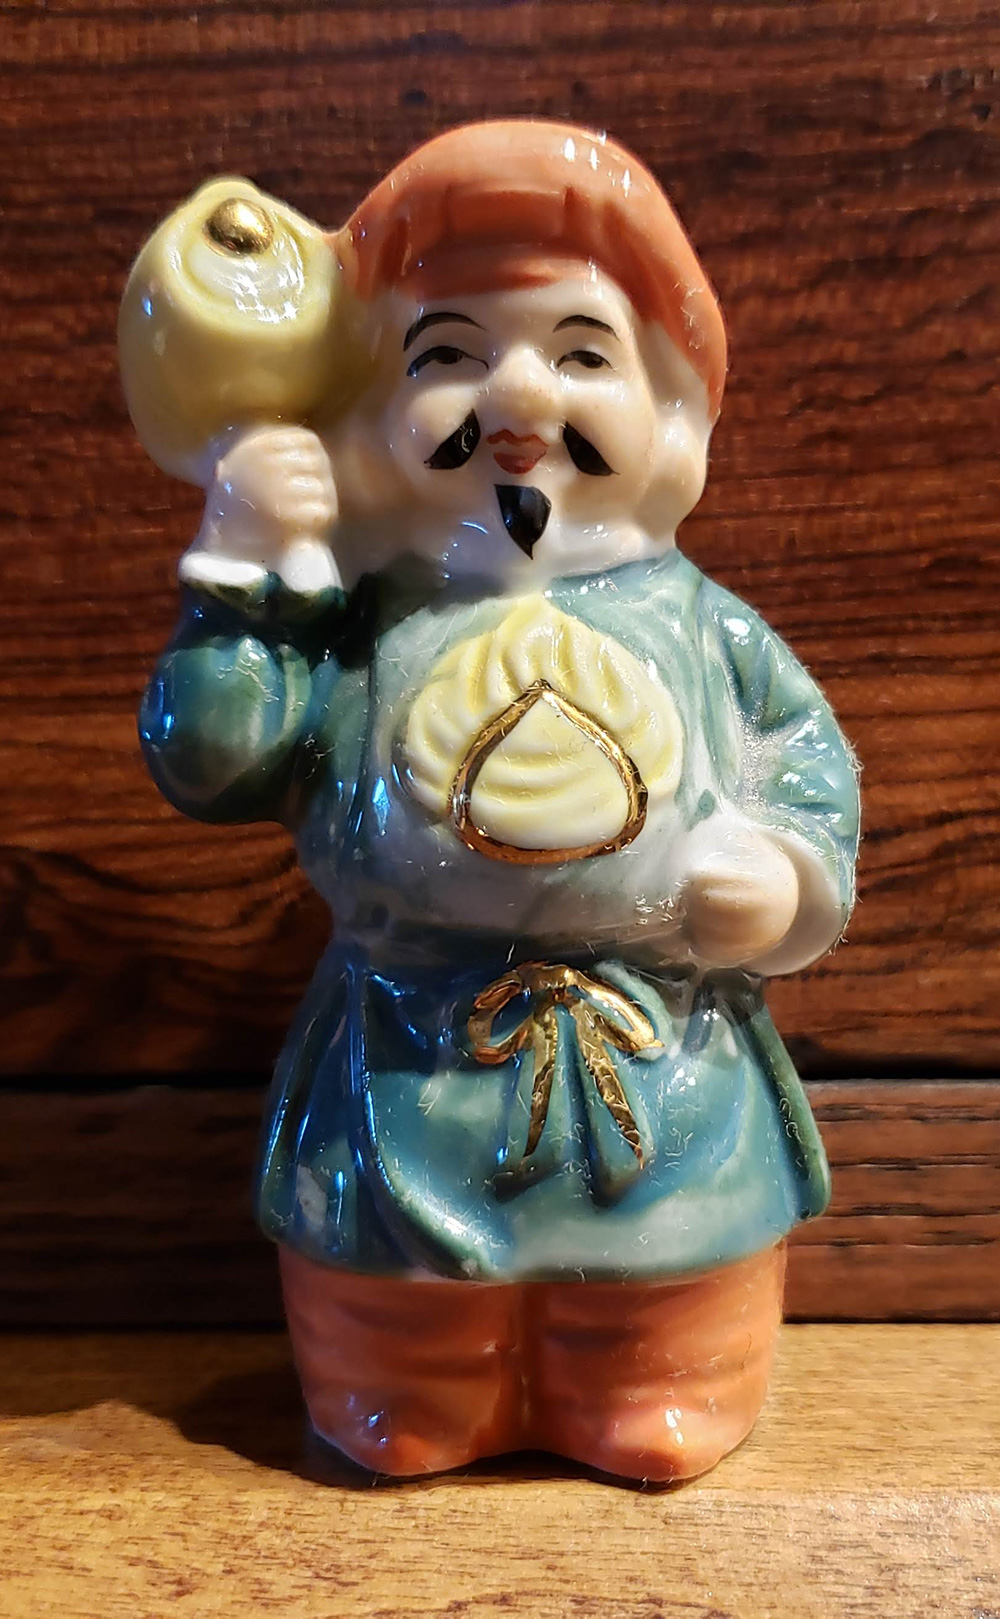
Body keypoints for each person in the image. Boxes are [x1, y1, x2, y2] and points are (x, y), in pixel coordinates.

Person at [135, 121, 860, 1480]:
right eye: (449, 355)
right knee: (398, 1320)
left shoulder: (706, 628)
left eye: (582, 354)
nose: (518, 395)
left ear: (670, 402)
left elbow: (806, 766)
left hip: (667, 1057)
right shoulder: (360, 623)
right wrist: (246, 564)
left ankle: (659, 1370)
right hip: (407, 1057)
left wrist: (784, 877)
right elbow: (214, 757)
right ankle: (407, 1379)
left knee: (669, 1285)